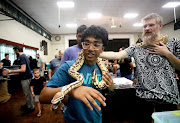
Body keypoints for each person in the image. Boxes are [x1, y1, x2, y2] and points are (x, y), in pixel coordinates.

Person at [100, 13, 180, 123]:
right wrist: (96, 52)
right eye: (145, 26)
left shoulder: (173, 43)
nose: (147, 28)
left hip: (167, 97)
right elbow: (116, 55)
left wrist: (167, 53)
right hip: (143, 97)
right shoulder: (137, 47)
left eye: (151, 25)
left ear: (160, 26)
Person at [39, 25, 114, 123]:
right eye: (86, 43)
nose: (90, 48)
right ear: (82, 45)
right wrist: (72, 91)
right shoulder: (68, 67)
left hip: (97, 119)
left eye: (96, 44)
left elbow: (104, 91)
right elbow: (43, 96)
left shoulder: (102, 68)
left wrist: (110, 87)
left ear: (102, 48)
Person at [59, 24, 87, 112]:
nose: (81, 39)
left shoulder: (91, 51)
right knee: (73, 112)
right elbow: (62, 71)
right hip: (72, 88)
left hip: (87, 85)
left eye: (84, 36)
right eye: (79, 36)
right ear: (76, 36)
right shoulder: (69, 51)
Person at [3, 46, 35, 116]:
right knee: (27, 93)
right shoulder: (25, 56)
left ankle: (31, 107)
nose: (14, 52)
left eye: (14, 51)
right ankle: (27, 104)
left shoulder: (22, 57)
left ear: (17, 50)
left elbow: (23, 69)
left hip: (26, 77)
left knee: (27, 93)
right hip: (27, 76)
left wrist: (10, 71)